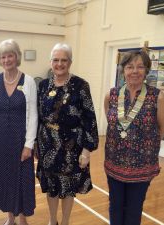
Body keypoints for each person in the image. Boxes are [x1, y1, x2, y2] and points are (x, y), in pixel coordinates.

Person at [36, 43, 99, 225]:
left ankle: (64, 222)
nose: (59, 64)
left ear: (70, 62)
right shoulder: (42, 86)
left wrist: (86, 150)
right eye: (56, 60)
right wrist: (35, 144)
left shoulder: (80, 85)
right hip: (47, 145)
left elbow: (89, 118)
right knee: (51, 186)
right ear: (50, 62)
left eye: (64, 60)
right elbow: (38, 117)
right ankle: (52, 220)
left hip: (72, 146)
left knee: (68, 186)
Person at [104, 50, 164, 225]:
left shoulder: (157, 97)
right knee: (115, 205)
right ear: (123, 70)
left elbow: (162, 128)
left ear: (146, 70)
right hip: (114, 162)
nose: (134, 71)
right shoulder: (112, 95)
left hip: (142, 165)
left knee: (134, 208)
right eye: (130, 66)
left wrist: (145, 143)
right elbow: (110, 121)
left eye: (140, 67)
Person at [0, 39, 38, 225]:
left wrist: (28, 145)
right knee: (3, 179)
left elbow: (33, 116)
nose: (7, 60)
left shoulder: (28, 81)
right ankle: (10, 217)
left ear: (17, 57)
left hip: (19, 141)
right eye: (3, 56)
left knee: (21, 180)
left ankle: (22, 218)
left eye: (10, 55)